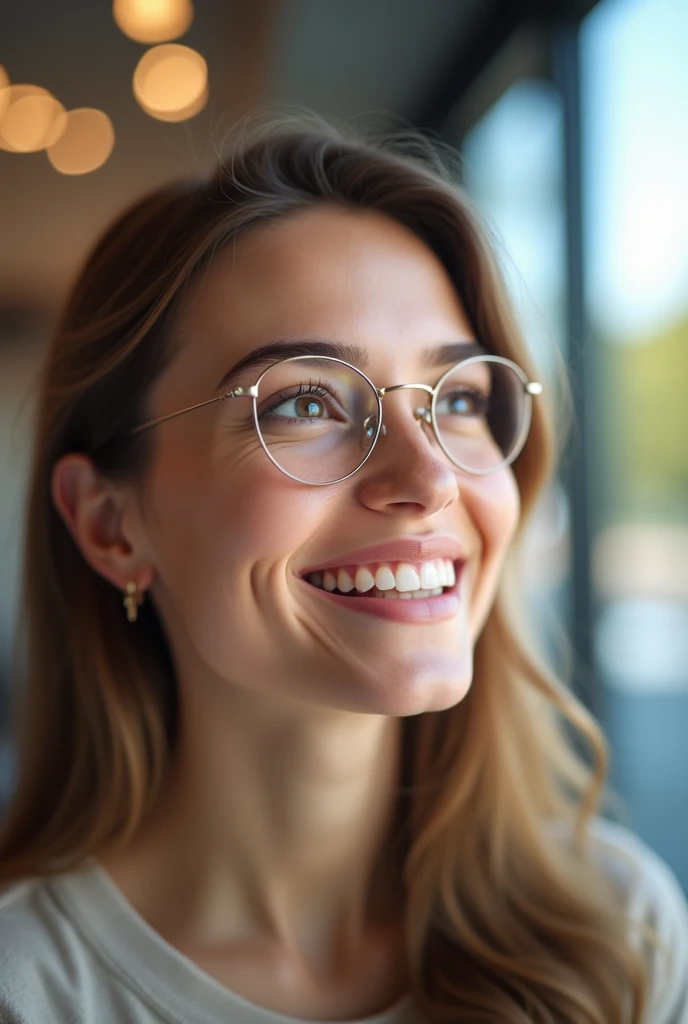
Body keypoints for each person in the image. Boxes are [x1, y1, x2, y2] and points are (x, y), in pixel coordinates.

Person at [0, 113, 686, 1024]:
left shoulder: (619, 931)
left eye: (461, 398)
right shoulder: (27, 989)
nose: (430, 476)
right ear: (109, 524)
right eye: (307, 402)